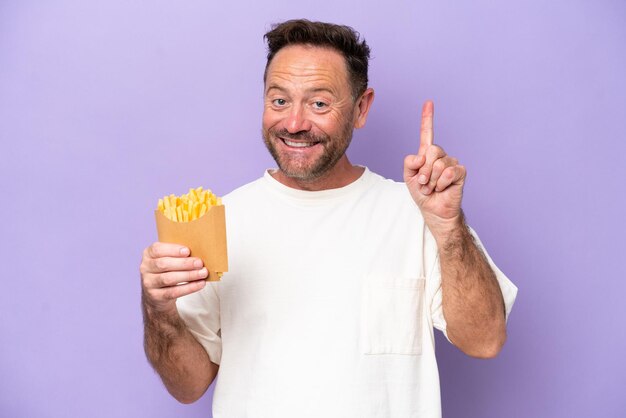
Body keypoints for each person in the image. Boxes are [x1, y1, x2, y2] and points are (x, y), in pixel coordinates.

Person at [139, 19, 517, 418]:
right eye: (279, 100)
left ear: (360, 108)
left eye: (319, 103)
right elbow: (187, 386)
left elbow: (485, 340)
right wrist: (158, 309)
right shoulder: (220, 220)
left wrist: (447, 227)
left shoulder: (417, 214)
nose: (295, 123)